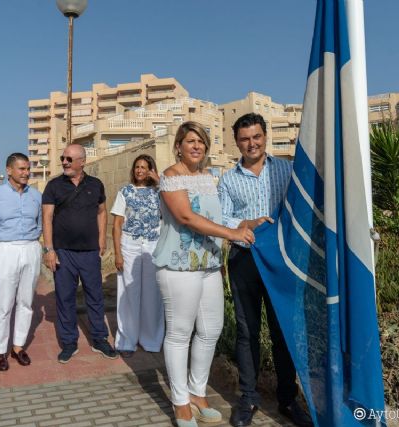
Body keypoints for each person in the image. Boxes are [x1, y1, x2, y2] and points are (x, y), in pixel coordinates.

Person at [153, 121, 254, 427]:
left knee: (211, 330)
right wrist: (232, 234)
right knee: (180, 333)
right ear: (179, 146)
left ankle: (197, 393)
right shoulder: (170, 177)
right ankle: (180, 402)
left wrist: (250, 224)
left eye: (201, 142)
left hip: (209, 264)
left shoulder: (210, 177)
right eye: (190, 141)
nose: (196, 146)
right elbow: (186, 217)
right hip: (178, 266)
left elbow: (219, 217)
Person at [218, 113, 312, 427]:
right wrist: (247, 224)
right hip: (244, 260)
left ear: (265, 136)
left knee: (283, 330)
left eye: (256, 136)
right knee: (247, 332)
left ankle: (288, 399)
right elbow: (223, 219)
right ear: (237, 142)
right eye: (245, 139)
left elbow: (302, 207)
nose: (251, 143)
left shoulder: (286, 170)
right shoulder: (228, 179)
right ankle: (248, 397)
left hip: (282, 261)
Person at [42, 143, 117, 363]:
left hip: (89, 252)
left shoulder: (96, 184)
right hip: (63, 252)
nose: (64, 162)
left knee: (95, 296)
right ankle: (68, 342)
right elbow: (46, 217)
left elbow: (102, 212)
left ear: (82, 162)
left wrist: (102, 238)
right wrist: (49, 250)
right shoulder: (54, 186)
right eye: (63, 158)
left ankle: (100, 339)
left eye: (68, 159)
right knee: (65, 299)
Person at [0, 153, 42, 371]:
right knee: (4, 303)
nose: (26, 173)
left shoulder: (36, 195)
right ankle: (0, 351)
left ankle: (18, 347)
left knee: (26, 301)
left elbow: (40, 223)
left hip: (31, 248)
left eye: (28, 168)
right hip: (6, 249)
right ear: (9, 170)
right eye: (21, 169)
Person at [110, 154, 164, 358]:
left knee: (152, 294)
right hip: (129, 246)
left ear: (151, 169)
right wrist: (117, 253)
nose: (140, 170)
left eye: (144, 167)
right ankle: (127, 340)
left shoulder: (160, 192)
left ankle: (151, 339)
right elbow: (116, 225)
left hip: (152, 246)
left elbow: (169, 215)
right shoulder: (125, 191)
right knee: (129, 295)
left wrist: (159, 181)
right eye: (137, 167)